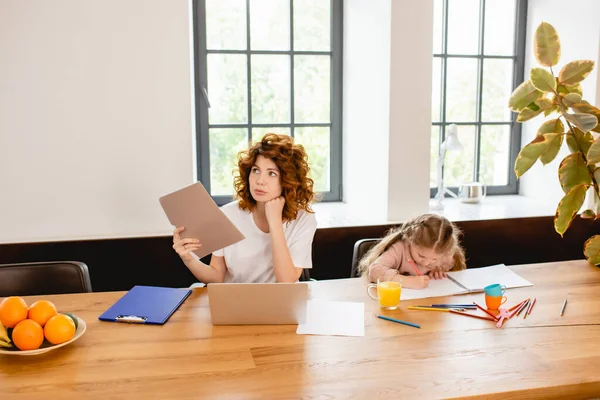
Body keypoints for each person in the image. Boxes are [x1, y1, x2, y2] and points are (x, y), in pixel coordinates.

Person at [172, 133, 317, 283]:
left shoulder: (304, 219)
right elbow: (216, 276)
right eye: (255, 170)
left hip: (280, 303)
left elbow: (286, 282)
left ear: (288, 180)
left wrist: (274, 221)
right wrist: (188, 258)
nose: (260, 181)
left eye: (272, 173)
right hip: (235, 300)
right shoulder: (228, 214)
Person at [358, 214, 466, 289]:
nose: (427, 263)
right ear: (410, 241)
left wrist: (437, 272)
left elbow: (455, 273)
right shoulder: (399, 249)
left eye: (434, 259)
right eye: (421, 256)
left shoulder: (445, 254)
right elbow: (374, 271)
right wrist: (407, 282)